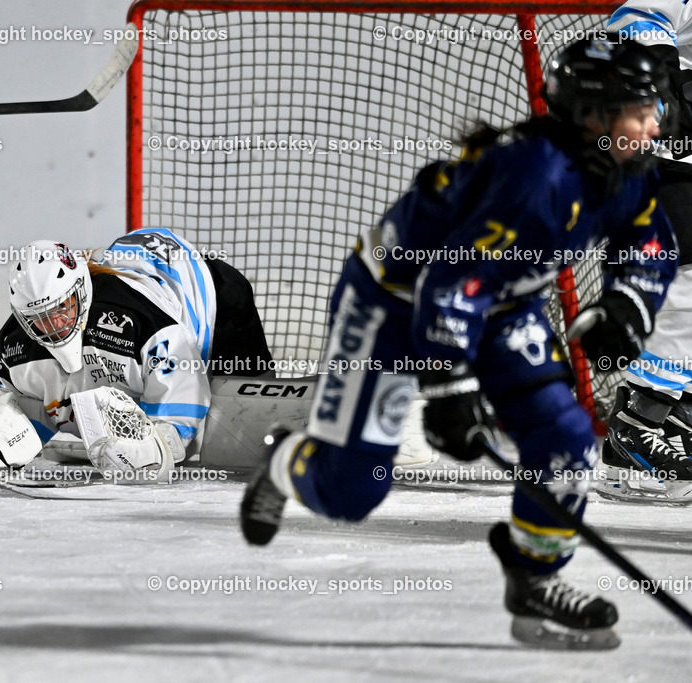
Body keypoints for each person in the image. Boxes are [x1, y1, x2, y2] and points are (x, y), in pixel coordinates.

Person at [239, 36, 677, 649]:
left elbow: (650, 244)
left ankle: (534, 578)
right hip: (390, 308)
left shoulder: (623, 172)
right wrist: (450, 387)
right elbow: (446, 283)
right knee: (350, 490)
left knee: (566, 437)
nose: (655, 121)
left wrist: (626, 309)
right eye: (640, 108)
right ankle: (286, 460)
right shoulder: (536, 179)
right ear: (594, 117)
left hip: (497, 306)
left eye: (655, 105)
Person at [0, 228, 274, 479]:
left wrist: (158, 445)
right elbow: (26, 414)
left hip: (206, 289)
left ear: (82, 294)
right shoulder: (9, 352)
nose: (53, 326)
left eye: (61, 309)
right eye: (38, 318)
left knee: (251, 429)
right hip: (134, 272)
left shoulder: (146, 327)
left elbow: (182, 420)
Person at [596, 1, 692, 500]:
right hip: (666, 150)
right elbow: (638, 18)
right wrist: (669, 91)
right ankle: (635, 433)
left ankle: (676, 422)